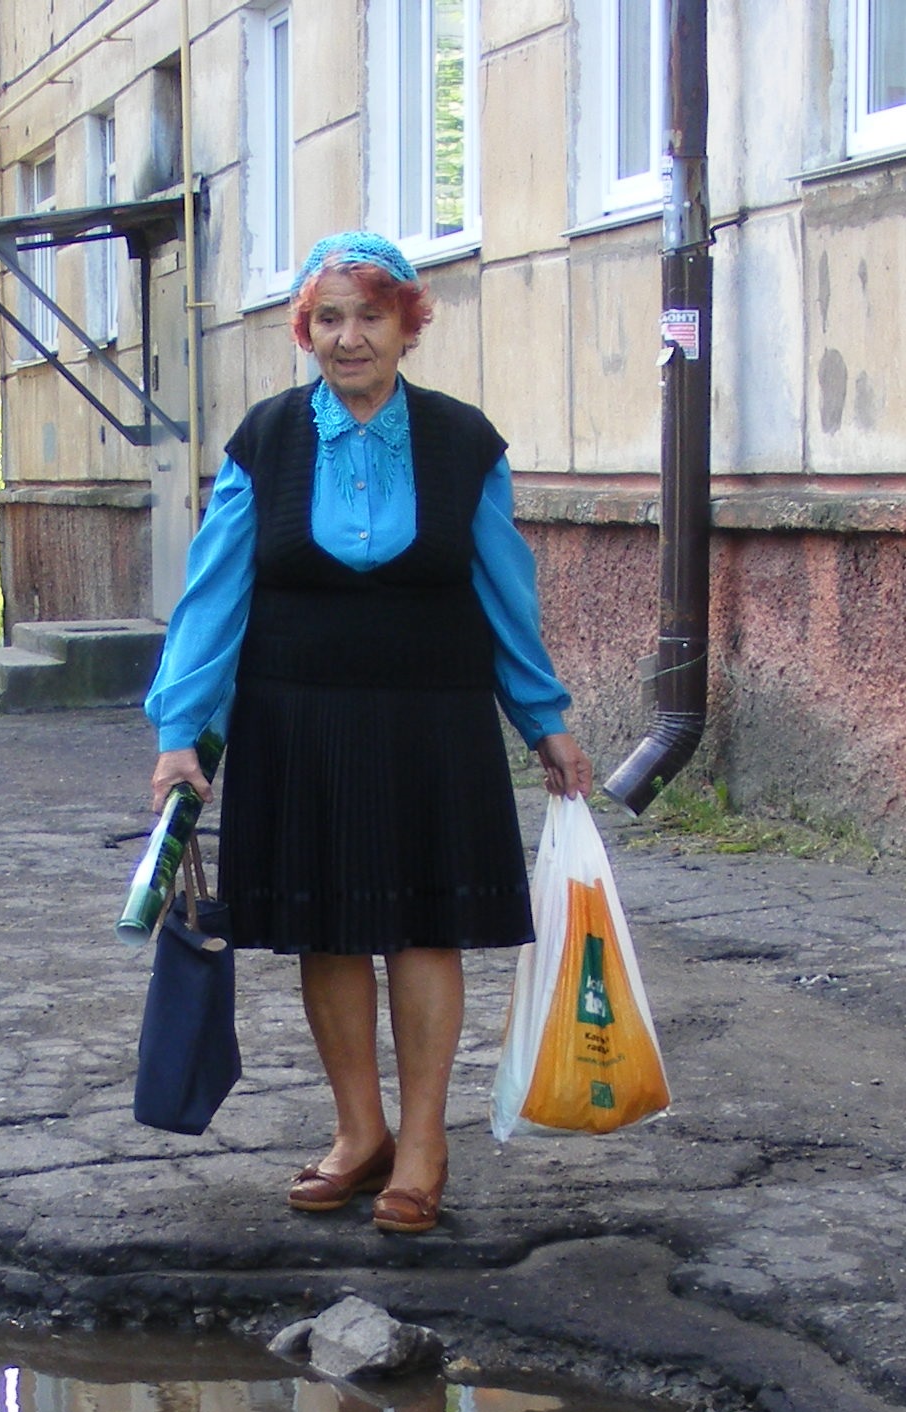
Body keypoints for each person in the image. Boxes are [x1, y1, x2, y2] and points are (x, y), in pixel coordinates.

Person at [144, 230, 594, 1236]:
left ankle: (423, 1142)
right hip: (297, 718)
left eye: (371, 317)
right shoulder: (264, 441)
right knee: (329, 926)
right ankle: (361, 1133)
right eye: (328, 320)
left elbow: (501, 589)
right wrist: (182, 731)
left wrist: (543, 719)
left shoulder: (462, 442)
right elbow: (215, 594)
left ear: (407, 326)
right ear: (307, 331)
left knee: (425, 925)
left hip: (432, 716)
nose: (349, 339)